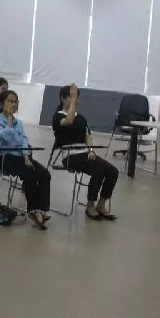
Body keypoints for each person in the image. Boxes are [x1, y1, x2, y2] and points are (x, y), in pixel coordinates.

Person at [53, 84, 118, 221]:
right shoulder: (57, 116)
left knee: (113, 171)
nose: (76, 100)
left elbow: (88, 137)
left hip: (84, 154)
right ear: (63, 99)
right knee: (98, 172)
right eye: (72, 97)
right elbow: (69, 121)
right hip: (70, 156)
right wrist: (73, 101)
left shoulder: (81, 118)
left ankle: (101, 205)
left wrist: (91, 150)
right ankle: (90, 206)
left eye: (77, 97)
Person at [0, 90, 51, 230]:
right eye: (10, 101)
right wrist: (9, 119)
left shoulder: (19, 123)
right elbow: (8, 139)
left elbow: (24, 141)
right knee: (30, 174)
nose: (13, 104)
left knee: (45, 174)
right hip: (6, 157)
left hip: (21, 157)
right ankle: (34, 211)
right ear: (2, 104)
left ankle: (40, 210)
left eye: (15, 101)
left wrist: (26, 157)